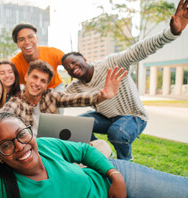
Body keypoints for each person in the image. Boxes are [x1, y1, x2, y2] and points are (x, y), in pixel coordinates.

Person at [0, 112, 188, 198]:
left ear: (29, 131)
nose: (20, 146)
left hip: (121, 179)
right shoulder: (0, 194)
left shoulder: (45, 146)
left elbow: (84, 150)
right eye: (7, 145)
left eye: (22, 134)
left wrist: (114, 175)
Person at [61, 0, 188, 160]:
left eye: (73, 62)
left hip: (133, 116)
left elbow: (140, 49)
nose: (71, 68)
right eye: (67, 68)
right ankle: (102, 153)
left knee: (117, 132)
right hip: (106, 118)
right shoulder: (75, 87)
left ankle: (126, 163)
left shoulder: (112, 63)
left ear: (84, 58)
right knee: (76, 125)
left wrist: (171, 33)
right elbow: (55, 98)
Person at [0, 59, 127, 140]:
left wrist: (101, 96)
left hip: (54, 147)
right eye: (34, 77)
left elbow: (75, 99)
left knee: (101, 148)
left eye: (43, 81)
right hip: (29, 152)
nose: (37, 83)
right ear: (26, 77)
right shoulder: (16, 102)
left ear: (47, 85)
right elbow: (1, 120)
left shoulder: (51, 96)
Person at [11, 23, 65, 91]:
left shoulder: (52, 53)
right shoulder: (14, 63)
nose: (27, 42)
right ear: (17, 44)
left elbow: (72, 62)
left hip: (54, 87)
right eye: (21, 39)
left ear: (37, 39)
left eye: (30, 37)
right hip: (33, 89)